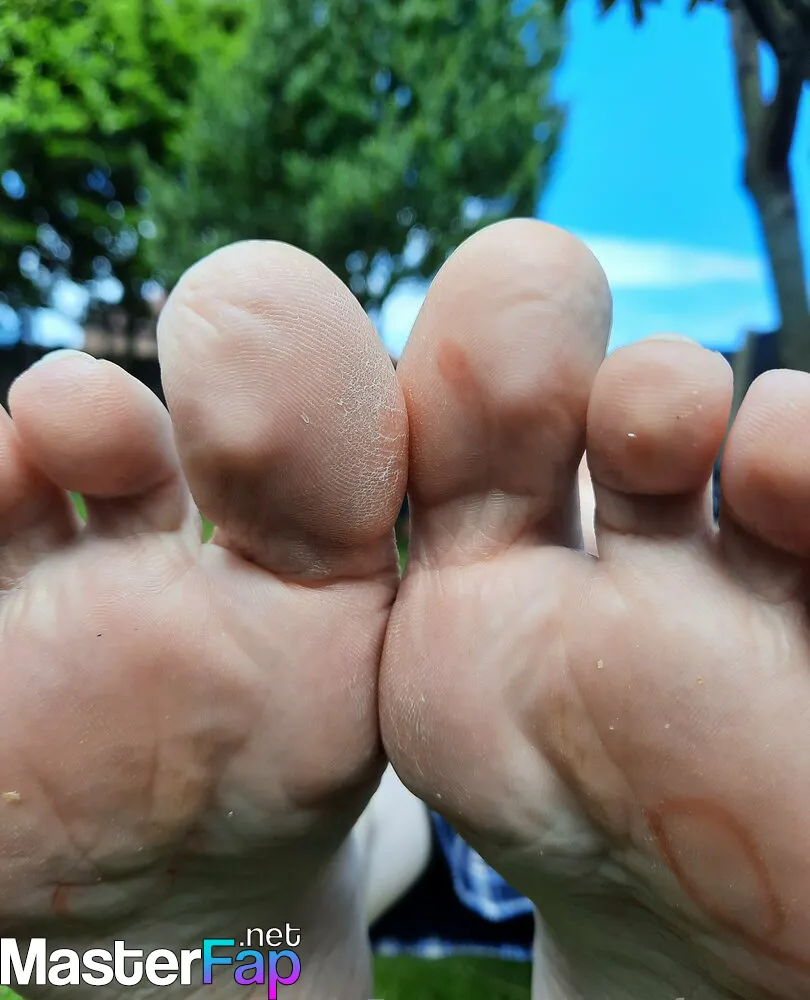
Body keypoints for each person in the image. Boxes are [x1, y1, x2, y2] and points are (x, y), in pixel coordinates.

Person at [1, 220, 808, 1000]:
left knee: (372, 819)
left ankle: (227, 946)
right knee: (359, 803)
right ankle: (246, 908)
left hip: (511, 803)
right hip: (524, 808)